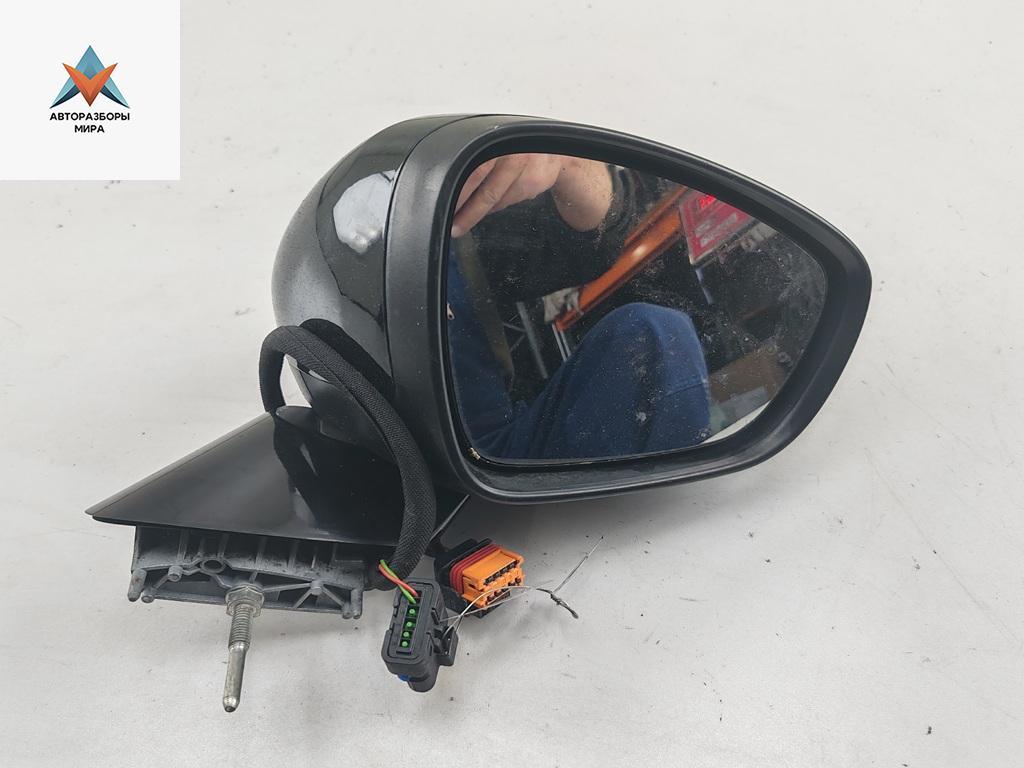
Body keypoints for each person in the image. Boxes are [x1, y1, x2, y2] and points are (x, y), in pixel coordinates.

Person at [447, 153, 711, 461]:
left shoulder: (452, 211)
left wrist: (566, 163)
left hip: (486, 452)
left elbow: (591, 247)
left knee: (656, 334)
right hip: (439, 456)